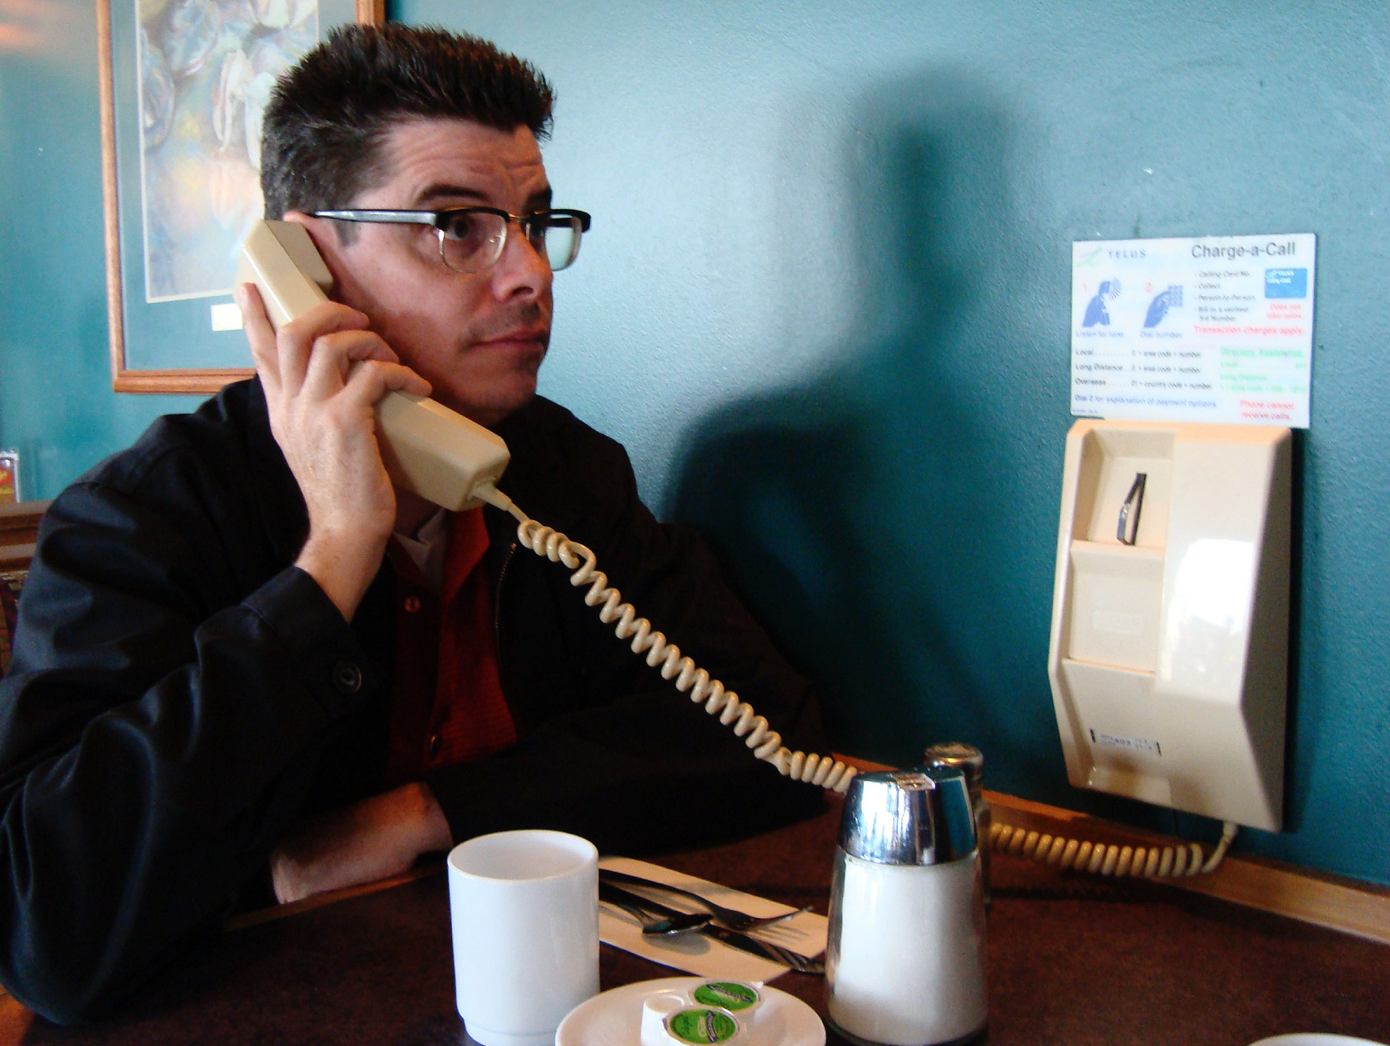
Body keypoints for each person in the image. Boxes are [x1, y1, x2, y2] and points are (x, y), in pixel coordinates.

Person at [0, 24, 830, 1025]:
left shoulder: (562, 474)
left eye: (534, 222)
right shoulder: (140, 518)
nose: (530, 274)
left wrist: (430, 813)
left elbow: (770, 729)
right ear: (308, 266)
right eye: (457, 228)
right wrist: (332, 560)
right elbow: (44, 930)